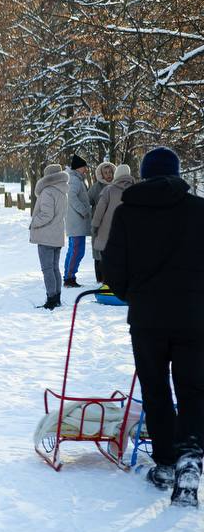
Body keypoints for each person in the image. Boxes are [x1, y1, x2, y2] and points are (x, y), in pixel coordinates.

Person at [104, 147, 204, 506]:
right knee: (193, 389)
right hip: (195, 316)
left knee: (156, 388)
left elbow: (113, 268)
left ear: (145, 175)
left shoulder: (128, 212)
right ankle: (190, 458)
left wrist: (134, 294)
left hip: (147, 318)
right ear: (177, 173)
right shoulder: (199, 210)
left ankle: (164, 463)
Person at [29, 164, 69, 310]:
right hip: (57, 235)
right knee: (54, 268)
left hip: (46, 236)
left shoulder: (48, 191)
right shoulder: (63, 191)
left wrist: (34, 222)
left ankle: (51, 299)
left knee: (47, 269)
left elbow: (47, 214)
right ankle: (57, 297)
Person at [92, 164, 134, 274]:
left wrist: (95, 226)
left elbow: (99, 211)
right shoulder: (135, 189)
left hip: (107, 231)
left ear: (116, 174)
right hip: (128, 231)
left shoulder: (109, 190)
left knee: (108, 259)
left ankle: (108, 280)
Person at [63, 154, 91, 287]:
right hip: (77, 222)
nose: (86, 169)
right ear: (78, 167)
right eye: (84, 167)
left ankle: (68, 276)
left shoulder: (76, 179)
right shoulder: (74, 180)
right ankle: (69, 278)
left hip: (76, 222)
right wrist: (83, 210)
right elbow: (72, 197)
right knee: (77, 251)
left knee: (73, 250)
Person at [87, 161, 115, 283]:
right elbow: (87, 201)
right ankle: (99, 278)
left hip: (113, 224)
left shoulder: (117, 186)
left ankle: (111, 278)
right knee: (98, 252)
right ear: (101, 174)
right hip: (99, 225)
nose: (108, 175)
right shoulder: (96, 187)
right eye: (105, 173)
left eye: (110, 172)